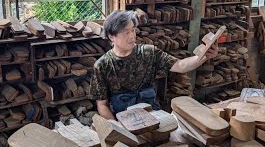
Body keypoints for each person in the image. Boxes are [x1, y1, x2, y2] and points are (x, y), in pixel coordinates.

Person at [89, 10, 219, 120]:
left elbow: (180, 66)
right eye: (126, 32)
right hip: (123, 117)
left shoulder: (148, 52)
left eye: (133, 30)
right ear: (112, 37)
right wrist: (116, 126)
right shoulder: (102, 65)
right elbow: (102, 105)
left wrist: (203, 56)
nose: (132, 36)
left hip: (152, 112)